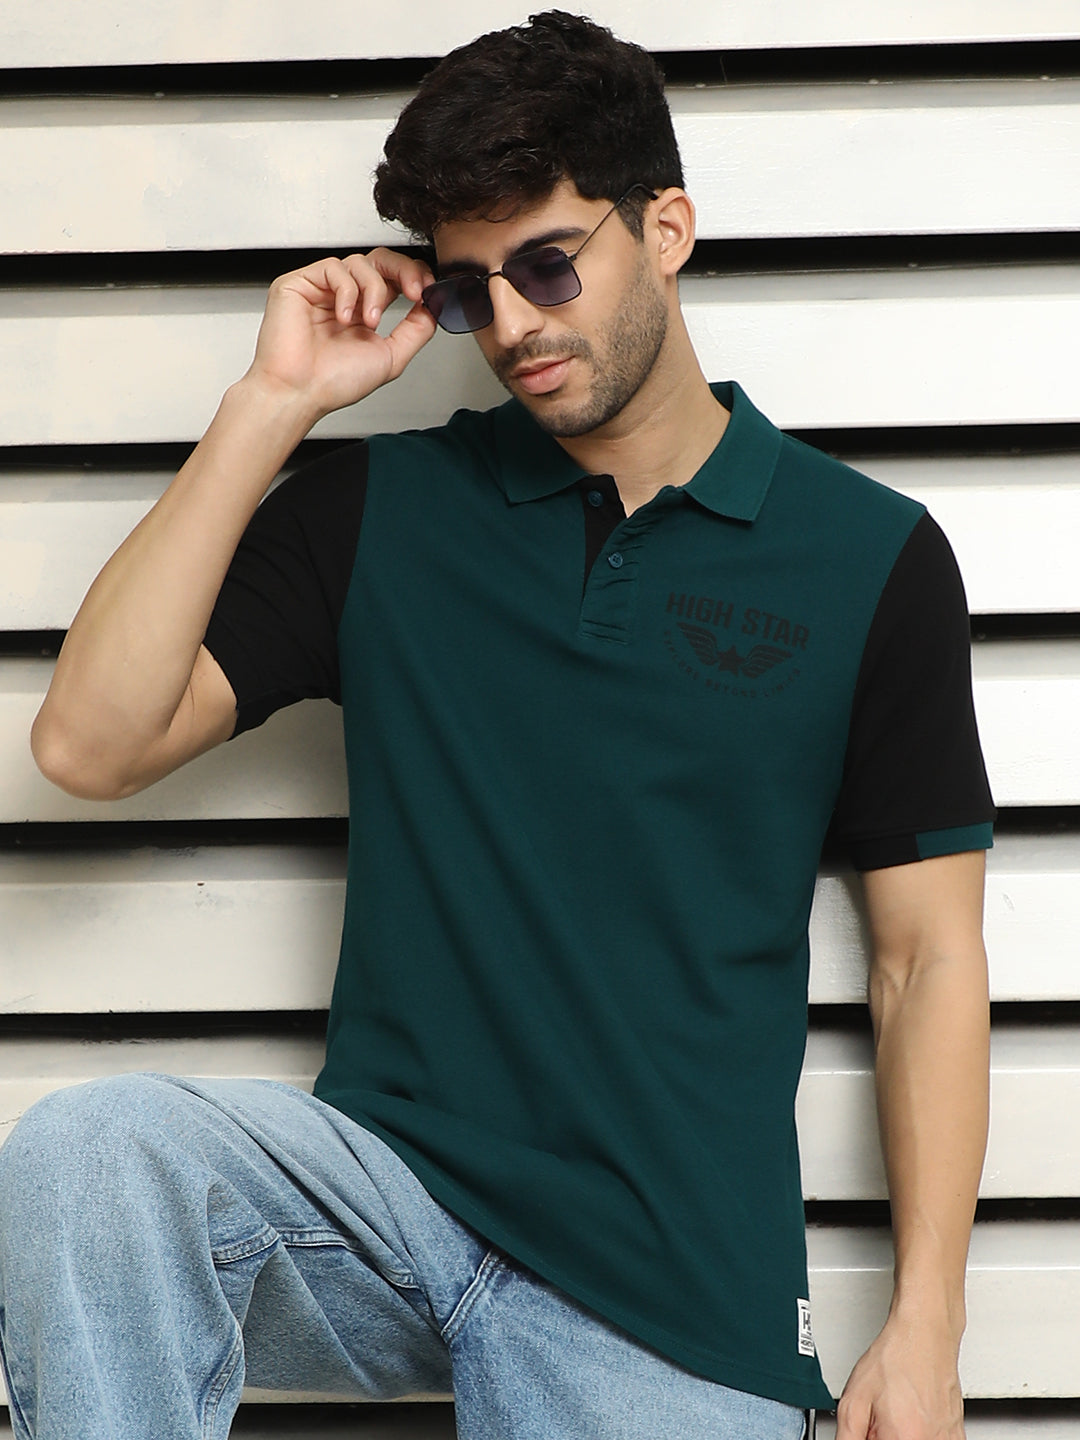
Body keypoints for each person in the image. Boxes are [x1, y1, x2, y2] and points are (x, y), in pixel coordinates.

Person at [0, 12, 994, 1440]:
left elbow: (926, 961)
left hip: (667, 1282)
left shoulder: (868, 556)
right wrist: (273, 403)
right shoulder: (381, 513)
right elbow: (88, 747)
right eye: (472, 290)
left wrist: (927, 1322)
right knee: (88, 1159)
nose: (514, 325)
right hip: (391, 1205)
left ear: (666, 229)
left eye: (548, 265)